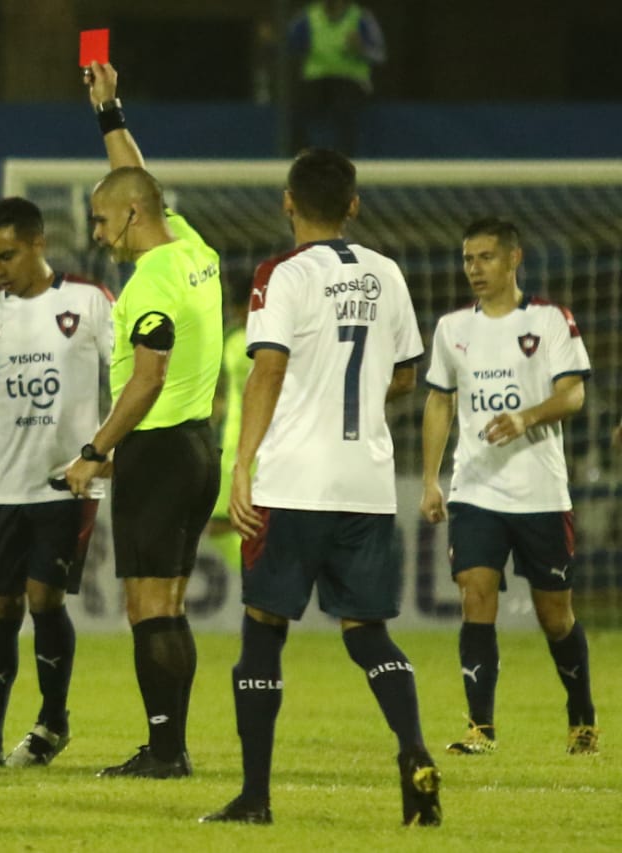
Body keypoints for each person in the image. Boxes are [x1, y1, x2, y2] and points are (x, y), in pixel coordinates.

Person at [201, 149, 440, 827]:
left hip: (293, 480)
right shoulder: (388, 273)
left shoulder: (282, 274)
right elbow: (403, 375)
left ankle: (254, 796)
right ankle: (415, 752)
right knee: (369, 635)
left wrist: (243, 465)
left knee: (263, 633)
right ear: (354, 205)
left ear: (287, 201)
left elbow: (267, 369)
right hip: (365, 482)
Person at [64, 61, 223, 779]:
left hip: (157, 451)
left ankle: (165, 751)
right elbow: (140, 180)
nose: (98, 234)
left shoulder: (153, 281)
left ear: (130, 217)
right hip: (198, 447)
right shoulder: (189, 248)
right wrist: (109, 112)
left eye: (101, 219)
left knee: (146, 607)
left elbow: (148, 379)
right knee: (169, 601)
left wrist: (95, 449)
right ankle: (169, 745)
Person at [420, 217, 597, 757]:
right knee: (476, 592)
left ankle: (582, 717)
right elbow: (439, 400)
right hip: (477, 490)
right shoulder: (453, 329)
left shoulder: (548, 321)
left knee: (555, 615)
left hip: (541, 493)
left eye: (486, 257)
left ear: (514, 259)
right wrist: (430, 478)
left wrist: (525, 418)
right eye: (469, 259)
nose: (475, 268)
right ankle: (481, 727)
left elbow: (573, 397)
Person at [0, 197, 114, 769]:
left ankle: (51, 723)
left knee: (44, 597)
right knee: (1, 603)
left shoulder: (90, 302)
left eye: (7, 255)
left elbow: (128, 381)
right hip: (4, 490)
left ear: (38, 243)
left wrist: (107, 452)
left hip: (66, 485)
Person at [287, 0, 386, 155]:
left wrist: (361, 48)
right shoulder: (308, 17)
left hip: (351, 79)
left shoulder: (362, 17)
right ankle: (301, 159)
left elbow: (379, 55)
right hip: (316, 78)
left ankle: (344, 160)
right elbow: (290, 45)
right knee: (299, 109)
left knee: (345, 107)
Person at [206, 285, 254, 571]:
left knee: (249, 523)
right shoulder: (238, 342)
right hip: (235, 447)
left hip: (266, 449)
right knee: (218, 523)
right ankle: (256, 573)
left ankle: (259, 576)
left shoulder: (243, 343)